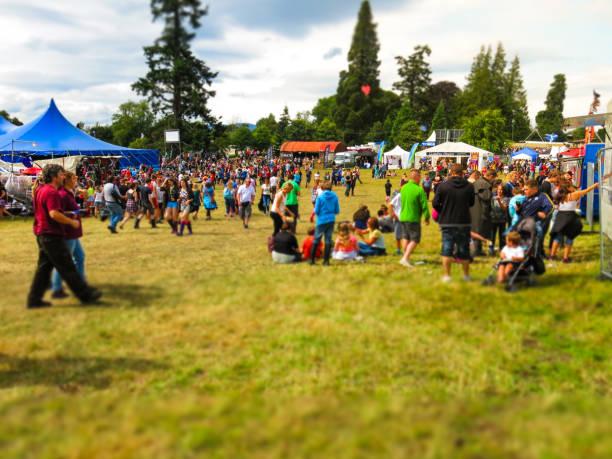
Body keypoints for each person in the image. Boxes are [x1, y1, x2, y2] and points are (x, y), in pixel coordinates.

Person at [26, 164, 101, 308]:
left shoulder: (41, 190)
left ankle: (34, 300)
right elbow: (53, 214)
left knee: (44, 269)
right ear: (54, 177)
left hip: (42, 232)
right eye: (61, 174)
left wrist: (66, 213)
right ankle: (86, 295)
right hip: (51, 234)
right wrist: (71, 222)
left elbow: (49, 211)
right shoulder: (52, 192)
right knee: (67, 266)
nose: (63, 177)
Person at [432, 163, 475, 282]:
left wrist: (443, 210)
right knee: (464, 249)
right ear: (463, 173)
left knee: (447, 248)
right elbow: (471, 203)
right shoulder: (469, 187)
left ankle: (447, 275)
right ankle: (466, 275)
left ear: (451, 173)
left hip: (447, 221)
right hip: (463, 221)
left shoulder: (443, 186)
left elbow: (435, 203)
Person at [549, 178, 605, 263]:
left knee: (557, 238)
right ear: (568, 188)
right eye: (571, 186)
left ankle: (552, 256)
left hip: (560, 216)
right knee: (570, 237)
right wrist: (597, 184)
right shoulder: (573, 195)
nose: (573, 188)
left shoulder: (560, 196)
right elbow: (587, 190)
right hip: (570, 217)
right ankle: (565, 258)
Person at [50, 171, 87, 299]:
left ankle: (80, 283)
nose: (76, 181)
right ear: (66, 180)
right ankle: (56, 288)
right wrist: (70, 214)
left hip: (73, 233)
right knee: (65, 262)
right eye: (73, 178)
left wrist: (76, 211)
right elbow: (56, 213)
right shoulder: (62, 195)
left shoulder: (69, 194)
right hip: (67, 232)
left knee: (80, 257)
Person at [397, 169, 430, 267]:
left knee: (405, 238)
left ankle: (406, 258)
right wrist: (427, 217)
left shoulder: (403, 188)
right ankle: (405, 258)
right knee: (415, 239)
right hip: (413, 218)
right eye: (420, 177)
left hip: (403, 217)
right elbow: (424, 205)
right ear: (417, 178)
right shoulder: (419, 190)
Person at [311, 181, 340, 265]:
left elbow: (316, 211)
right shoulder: (335, 196)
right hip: (331, 220)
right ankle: (326, 261)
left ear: (322, 188)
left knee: (316, 239)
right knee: (328, 240)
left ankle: (312, 260)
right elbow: (337, 210)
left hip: (321, 220)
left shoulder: (320, 197)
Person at [469, 170, 493, 257]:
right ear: (490, 176)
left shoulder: (477, 182)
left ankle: (477, 250)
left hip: (473, 208)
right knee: (479, 229)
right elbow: (486, 197)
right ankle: (476, 251)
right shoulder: (484, 184)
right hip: (481, 209)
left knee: (476, 229)